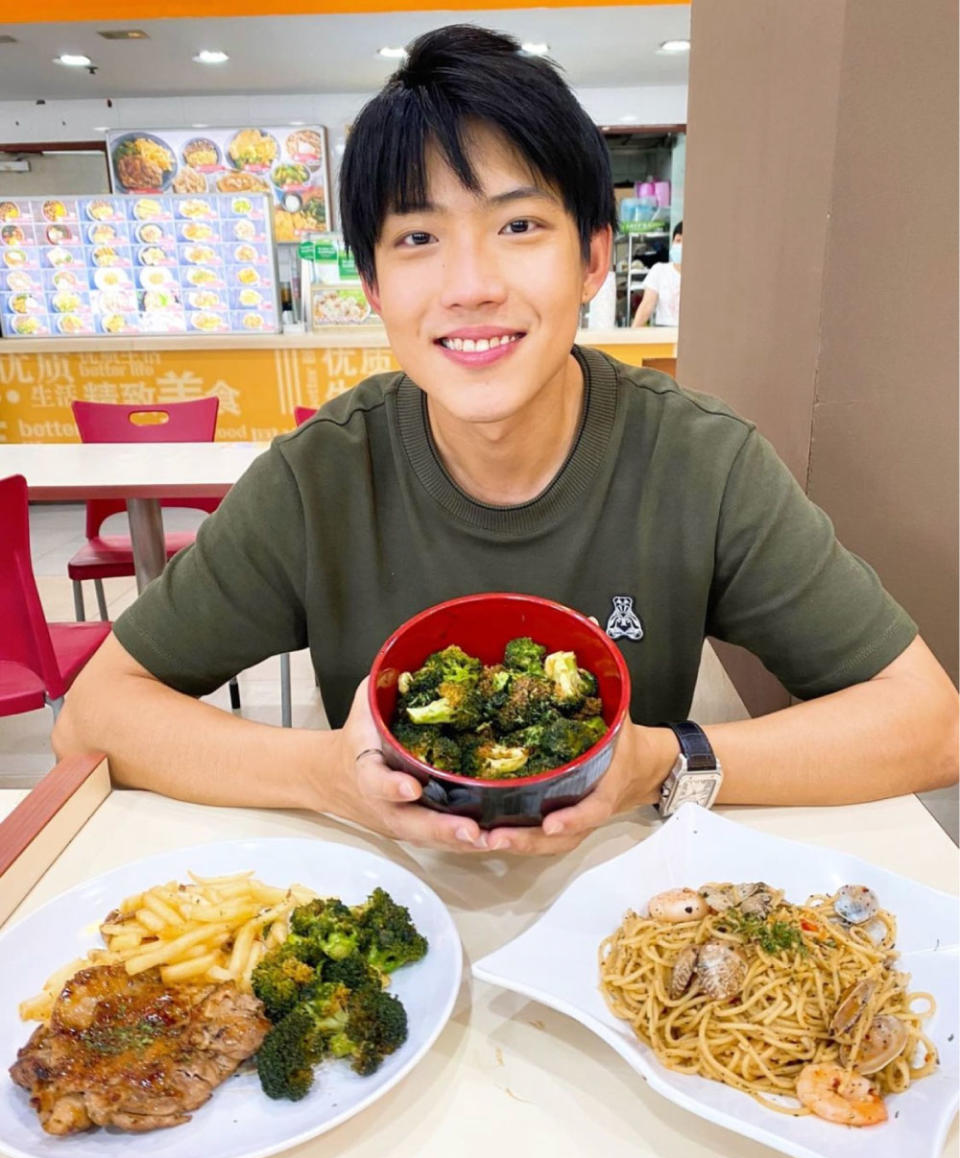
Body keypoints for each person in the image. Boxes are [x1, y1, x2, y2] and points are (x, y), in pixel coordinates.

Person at [54, 26, 957, 858]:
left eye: (519, 225)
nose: (471, 284)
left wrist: (666, 760)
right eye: (417, 237)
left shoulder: (700, 461)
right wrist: (324, 773)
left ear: (594, 257)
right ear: (371, 286)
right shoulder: (319, 477)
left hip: (631, 923)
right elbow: (93, 717)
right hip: (397, 915)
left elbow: (928, 722)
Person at [632, 222, 682, 326]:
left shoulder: (700, 277)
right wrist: (631, 335)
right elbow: (646, 306)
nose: (681, 245)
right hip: (663, 334)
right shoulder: (659, 271)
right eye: (678, 240)